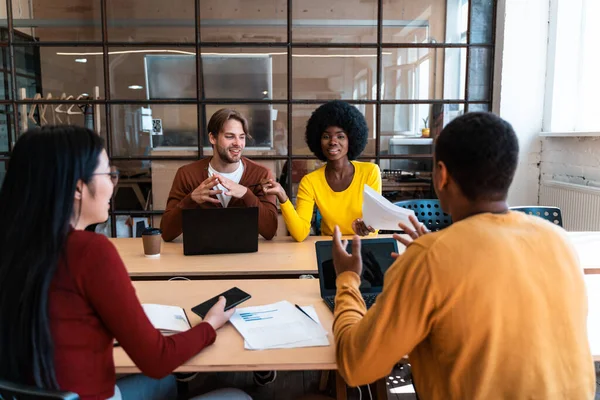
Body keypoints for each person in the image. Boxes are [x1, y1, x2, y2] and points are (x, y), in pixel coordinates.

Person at [330, 112, 595, 399]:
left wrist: (347, 278)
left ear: (442, 175)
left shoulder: (430, 258)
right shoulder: (558, 241)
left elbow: (356, 366)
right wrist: (432, 248)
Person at [0, 126, 251, 400]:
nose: (113, 183)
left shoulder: (14, 247)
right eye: (108, 173)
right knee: (238, 396)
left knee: (165, 383)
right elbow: (157, 359)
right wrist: (209, 325)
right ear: (77, 187)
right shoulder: (89, 252)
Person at [262, 100, 381, 242]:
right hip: (330, 249)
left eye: (340, 136)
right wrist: (282, 196)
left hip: (364, 246)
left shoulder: (370, 172)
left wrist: (367, 227)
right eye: (326, 136)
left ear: (352, 139)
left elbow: (375, 223)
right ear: (318, 141)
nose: (333, 141)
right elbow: (300, 234)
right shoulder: (310, 181)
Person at [161, 108, 277, 242]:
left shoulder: (260, 174)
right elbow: (167, 233)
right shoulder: (187, 174)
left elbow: (270, 231)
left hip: (246, 258)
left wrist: (246, 194)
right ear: (212, 138)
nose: (238, 143)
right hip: (200, 258)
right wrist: (190, 200)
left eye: (242, 137)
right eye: (229, 136)